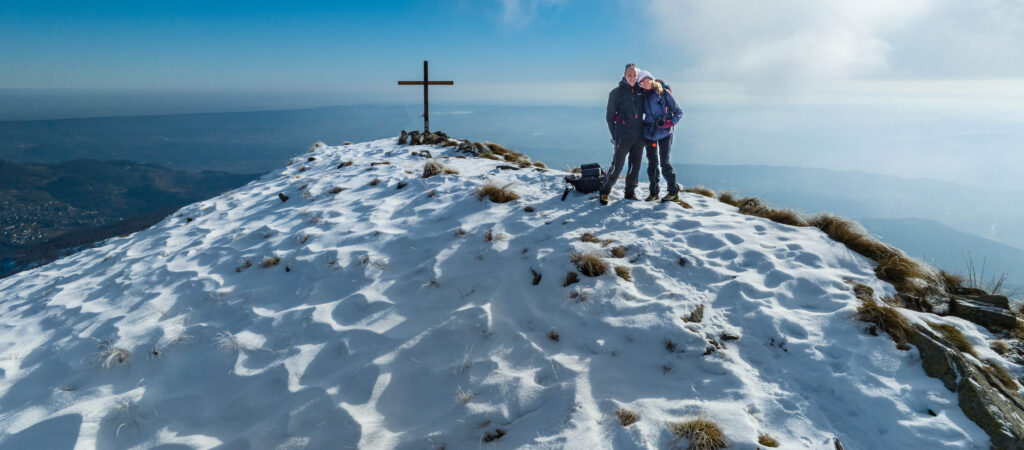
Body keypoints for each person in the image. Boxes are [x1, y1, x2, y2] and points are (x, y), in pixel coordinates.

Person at [599, 63, 647, 205]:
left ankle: (630, 193)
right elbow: (609, 117)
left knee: (635, 166)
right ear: (624, 75)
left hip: (639, 137)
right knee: (617, 167)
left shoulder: (641, 92)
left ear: (638, 76)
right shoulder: (616, 93)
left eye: (634, 75)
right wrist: (615, 136)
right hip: (623, 137)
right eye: (629, 75)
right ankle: (604, 191)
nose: (632, 78)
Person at [638, 72, 684, 202]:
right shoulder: (641, 96)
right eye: (641, 82)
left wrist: (670, 122)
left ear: (651, 79)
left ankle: (673, 192)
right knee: (652, 164)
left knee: (664, 163)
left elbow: (678, 112)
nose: (644, 83)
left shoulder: (663, 93)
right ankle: (654, 193)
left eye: (646, 79)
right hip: (650, 134)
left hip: (665, 133)